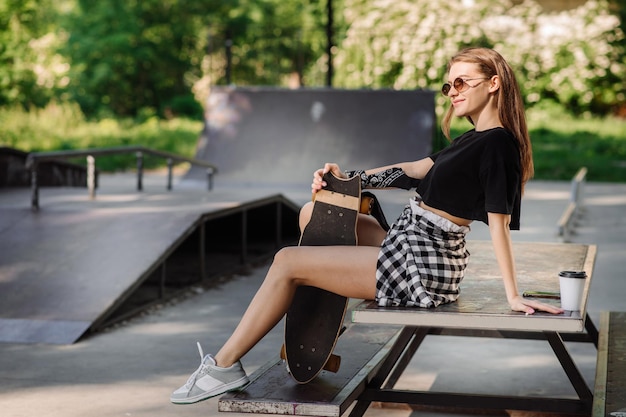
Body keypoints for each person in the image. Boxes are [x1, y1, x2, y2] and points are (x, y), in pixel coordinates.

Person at [170, 47, 564, 405]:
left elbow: (499, 223)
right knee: (313, 214)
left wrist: (513, 296)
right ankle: (325, 300)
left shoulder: (497, 145)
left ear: (494, 83)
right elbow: (410, 171)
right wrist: (346, 178)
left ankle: (224, 365)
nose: (452, 92)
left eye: (461, 82)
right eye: (448, 84)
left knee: (288, 261)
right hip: (412, 244)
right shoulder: (472, 139)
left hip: (424, 265)